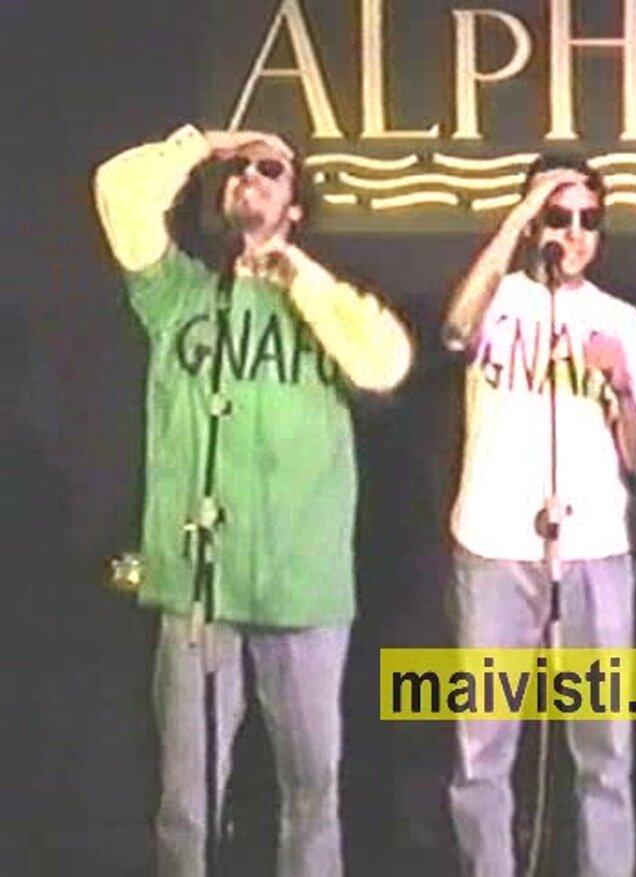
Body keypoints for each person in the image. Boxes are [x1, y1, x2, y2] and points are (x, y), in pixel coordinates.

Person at [94, 124, 414, 876]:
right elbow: (118, 191)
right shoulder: (178, 294)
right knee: (187, 800)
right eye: (240, 170)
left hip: (302, 588)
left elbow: (385, 363)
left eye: (270, 170)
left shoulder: (325, 304)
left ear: (296, 206)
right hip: (198, 588)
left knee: (312, 793)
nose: (250, 177)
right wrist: (207, 143)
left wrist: (297, 276)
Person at [441, 155, 636, 877]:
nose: (573, 233)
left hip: (595, 548)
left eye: (587, 220)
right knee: (482, 748)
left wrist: (622, 387)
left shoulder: (621, 321)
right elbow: (454, 329)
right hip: (493, 545)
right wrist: (516, 219)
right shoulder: (499, 299)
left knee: (605, 749)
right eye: (558, 216)